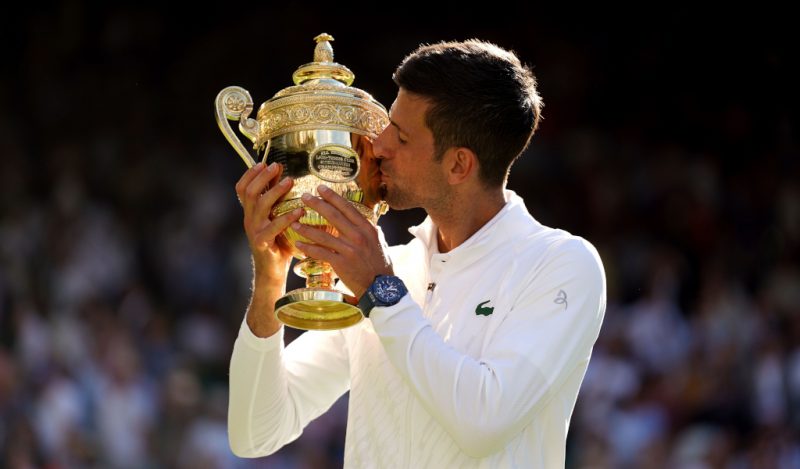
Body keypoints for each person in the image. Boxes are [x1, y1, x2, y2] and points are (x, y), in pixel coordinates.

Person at [228, 39, 606, 468]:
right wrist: (270, 279)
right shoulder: (392, 272)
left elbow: (483, 423)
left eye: (401, 137)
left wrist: (381, 291)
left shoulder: (562, 266)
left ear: (458, 166)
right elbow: (255, 432)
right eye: (389, 124)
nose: (379, 145)